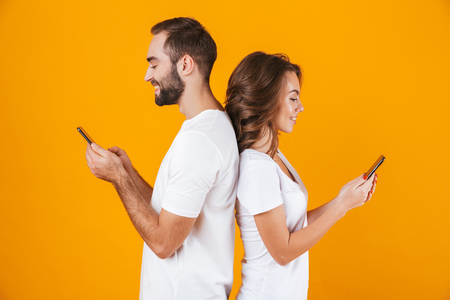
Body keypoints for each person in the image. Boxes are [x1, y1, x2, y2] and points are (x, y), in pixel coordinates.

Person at [85, 17, 239, 299]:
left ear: (185, 65)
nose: (147, 75)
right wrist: (128, 172)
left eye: (154, 64)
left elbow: (164, 242)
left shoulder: (199, 141)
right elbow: (173, 215)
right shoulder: (210, 128)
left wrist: (118, 179)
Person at [224, 52, 378, 299]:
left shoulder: (273, 156)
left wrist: (342, 200)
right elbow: (282, 251)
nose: (301, 107)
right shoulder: (256, 167)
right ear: (267, 99)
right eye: (293, 98)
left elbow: (293, 225)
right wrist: (342, 208)